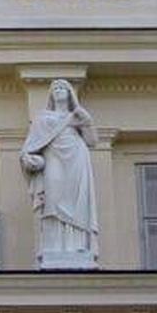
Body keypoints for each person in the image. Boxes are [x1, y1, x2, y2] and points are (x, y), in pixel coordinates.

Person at [20, 78, 99, 269]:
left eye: (63, 87)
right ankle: (54, 247)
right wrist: (28, 160)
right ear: (51, 95)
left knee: (78, 203)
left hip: (77, 158)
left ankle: (78, 247)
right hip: (53, 158)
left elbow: (92, 141)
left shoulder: (77, 116)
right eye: (55, 88)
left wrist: (87, 122)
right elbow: (29, 148)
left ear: (70, 93)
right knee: (53, 200)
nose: (59, 90)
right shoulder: (43, 119)